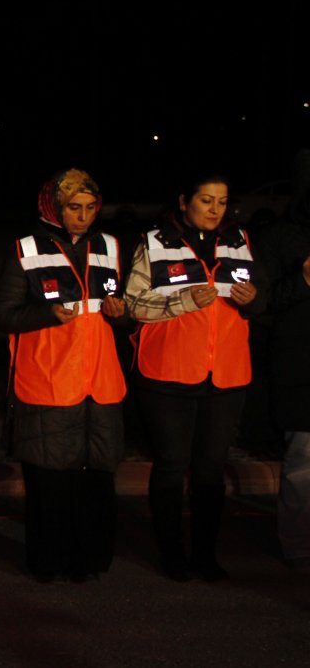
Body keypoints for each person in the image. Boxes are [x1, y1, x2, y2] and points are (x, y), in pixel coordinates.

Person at [126, 175, 264, 581]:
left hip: (226, 374)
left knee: (210, 469)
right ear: (185, 201)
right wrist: (184, 300)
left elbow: (265, 297)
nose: (215, 209)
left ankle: (206, 555)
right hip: (168, 372)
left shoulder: (239, 240)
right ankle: (172, 554)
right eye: (206, 200)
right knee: (171, 465)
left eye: (222, 201)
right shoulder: (155, 241)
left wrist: (255, 299)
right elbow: (134, 304)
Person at [0, 169, 127, 583]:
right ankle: (48, 561)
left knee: (95, 479)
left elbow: (121, 312)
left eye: (90, 208)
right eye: (74, 207)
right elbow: (3, 316)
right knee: (50, 481)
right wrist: (45, 314)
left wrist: (122, 314)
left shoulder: (109, 245)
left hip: (100, 381)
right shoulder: (25, 248)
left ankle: (89, 560)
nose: (82, 217)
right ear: (54, 205)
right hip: (48, 379)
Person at [256, 154, 310, 572]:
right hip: (300, 366)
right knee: (303, 464)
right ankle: (297, 545)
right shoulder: (281, 237)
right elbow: (264, 303)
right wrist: (305, 279)